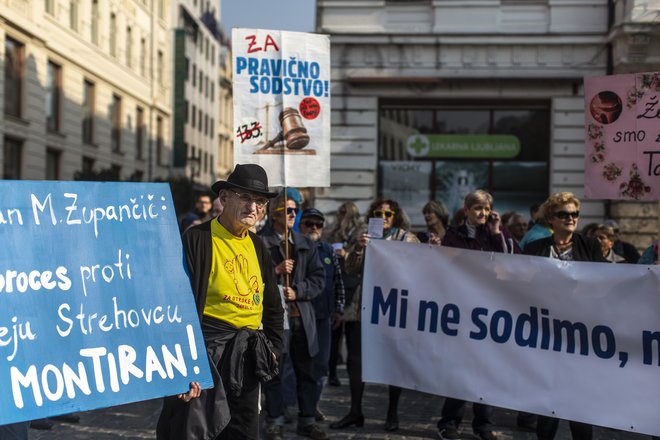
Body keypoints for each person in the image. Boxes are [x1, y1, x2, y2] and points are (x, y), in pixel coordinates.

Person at [157, 164, 284, 440]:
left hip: (248, 354)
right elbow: (175, 307)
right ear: (224, 198)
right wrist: (184, 365)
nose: (253, 207)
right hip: (207, 353)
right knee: (194, 430)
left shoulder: (258, 245)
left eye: (260, 201)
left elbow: (273, 304)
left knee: (243, 431)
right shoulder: (197, 238)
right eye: (245, 198)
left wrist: (273, 347)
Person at [330, 198, 419, 433]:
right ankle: (355, 411)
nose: (383, 217)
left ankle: (392, 413)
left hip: (391, 308)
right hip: (362, 307)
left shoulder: (405, 237)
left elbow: (420, 266)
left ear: (395, 216)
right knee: (355, 360)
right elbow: (350, 268)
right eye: (378, 213)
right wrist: (358, 249)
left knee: (393, 361)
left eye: (388, 214)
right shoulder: (365, 235)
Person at [523, 192, 606, 440]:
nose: (570, 218)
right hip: (546, 332)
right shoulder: (535, 247)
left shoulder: (590, 246)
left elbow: (603, 283)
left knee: (579, 399)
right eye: (564, 214)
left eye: (574, 214)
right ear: (551, 218)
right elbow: (524, 285)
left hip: (580, 332)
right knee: (548, 397)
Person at [436, 189, 516, 440]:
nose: (482, 213)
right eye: (478, 208)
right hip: (462, 307)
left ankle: (483, 425)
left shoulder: (495, 233)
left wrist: (496, 233)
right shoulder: (454, 234)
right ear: (467, 210)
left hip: (489, 308)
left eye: (486, 208)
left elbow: (512, 261)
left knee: (486, 367)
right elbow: (446, 266)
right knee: (461, 368)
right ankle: (449, 422)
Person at [259, 193, 327, 440]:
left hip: (302, 316)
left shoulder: (305, 243)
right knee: (275, 371)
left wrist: (298, 290)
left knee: (306, 371)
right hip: (276, 320)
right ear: (274, 214)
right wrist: (276, 271)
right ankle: (275, 419)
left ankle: (307, 419)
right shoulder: (260, 242)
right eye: (287, 210)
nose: (292, 215)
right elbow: (251, 279)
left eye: (294, 210)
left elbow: (318, 278)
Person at [299, 208, 345, 421]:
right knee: (299, 365)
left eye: (318, 224)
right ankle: (296, 406)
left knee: (321, 365)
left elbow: (338, 282)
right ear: (301, 225)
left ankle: (313, 405)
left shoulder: (328, 251)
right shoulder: (296, 248)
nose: (314, 228)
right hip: (300, 317)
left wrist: (338, 308)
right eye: (309, 224)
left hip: (323, 316)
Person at [323, 201, 364, 387]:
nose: (340, 215)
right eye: (339, 211)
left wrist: (346, 253)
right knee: (334, 335)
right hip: (336, 284)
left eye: (343, 212)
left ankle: (352, 374)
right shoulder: (332, 230)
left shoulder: (360, 231)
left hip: (354, 287)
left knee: (353, 339)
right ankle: (332, 372)